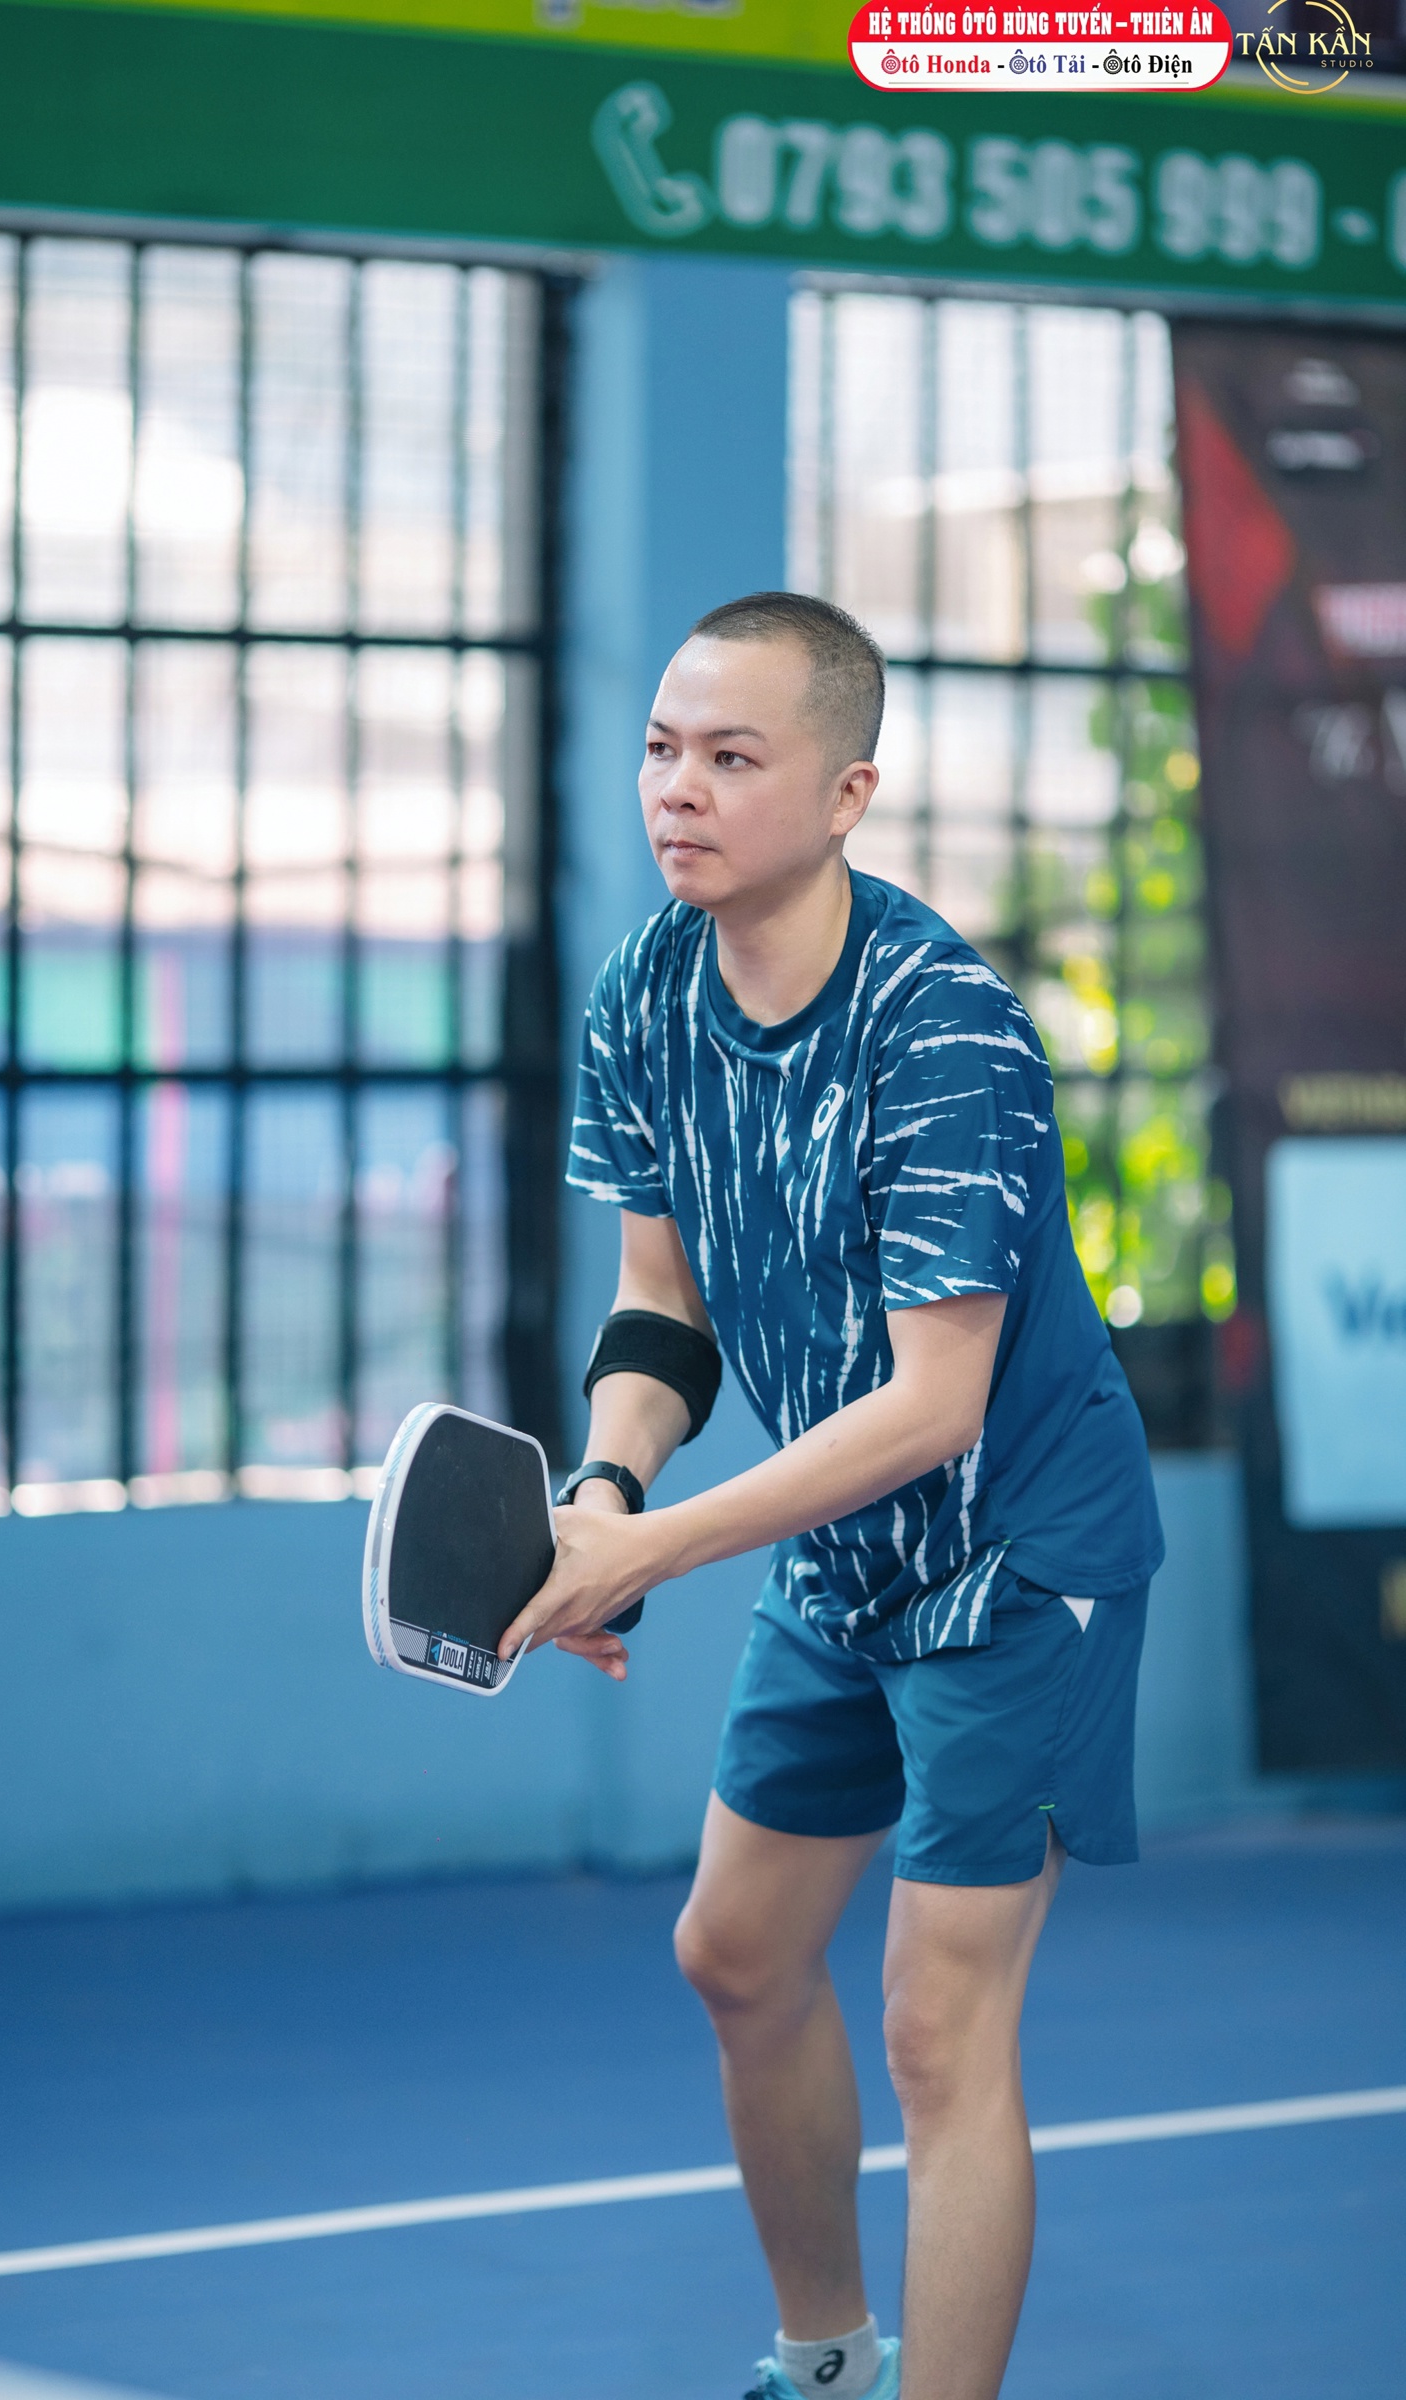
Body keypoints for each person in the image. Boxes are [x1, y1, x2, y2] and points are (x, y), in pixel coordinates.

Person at [499, 591, 1163, 2400]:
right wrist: (606, 1487)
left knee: (940, 2032)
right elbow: (662, 1308)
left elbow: (936, 1409)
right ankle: (828, 2364)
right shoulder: (648, 989)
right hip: (839, 1554)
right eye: (662, 749)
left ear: (848, 793)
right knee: (734, 1954)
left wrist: (658, 1546)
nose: (678, 790)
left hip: (1019, 1560)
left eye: (733, 757)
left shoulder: (943, 1031)